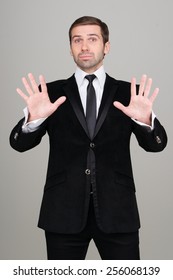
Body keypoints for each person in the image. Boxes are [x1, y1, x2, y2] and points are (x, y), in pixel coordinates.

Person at [10, 16, 167, 260]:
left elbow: (157, 145)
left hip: (118, 211)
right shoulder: (49, 93)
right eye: (77, 40)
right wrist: (34, 120)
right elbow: (19, 143)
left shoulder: (130, 93)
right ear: (70, 48)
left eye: (92, 39)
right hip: (63, 211)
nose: (84, 46)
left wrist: (145, 122)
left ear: (106, 46)